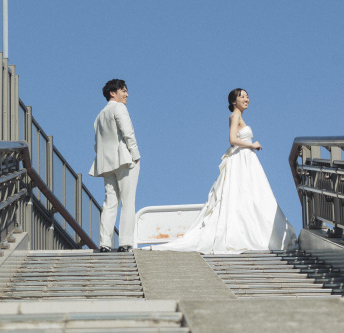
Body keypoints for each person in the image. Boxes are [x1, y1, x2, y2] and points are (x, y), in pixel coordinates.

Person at [153, 88, 297, 254]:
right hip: (243, 157)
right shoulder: (235, 115)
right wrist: (252, 145)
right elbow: (233, 139)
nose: (246, 99)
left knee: (251, 195)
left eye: (247, 96)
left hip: (246, 159)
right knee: (246, 194)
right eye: (242, 96)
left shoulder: (239, 116)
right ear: (233, 102)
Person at [90, 79, 141, 253]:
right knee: (128, 201)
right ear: (113, 93)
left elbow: (97, 144)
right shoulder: (119, 108)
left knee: (110, 202)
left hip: (106, 163)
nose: (127, 94)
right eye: (124, 91)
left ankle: (104, 243)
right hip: (125, 159)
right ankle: (125, 242)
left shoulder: (99, 116)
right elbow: (128, 133)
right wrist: (136, 155)